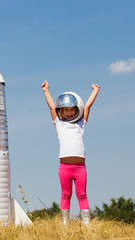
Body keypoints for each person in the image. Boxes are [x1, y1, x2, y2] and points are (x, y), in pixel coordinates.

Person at [41, 80, 100, 225]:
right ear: (61, 111)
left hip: (80, 168)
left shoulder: (81, 124)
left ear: (76, 110)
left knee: (82, 194)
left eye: (71, 110)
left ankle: (86, 224)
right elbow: (51, 106)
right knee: (65, 194)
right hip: (64, 167)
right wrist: (46, 90)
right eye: (65, 110)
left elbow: (87, 106)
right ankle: (64, 223)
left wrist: (95, 91)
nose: (69, 113)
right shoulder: (59, 124)